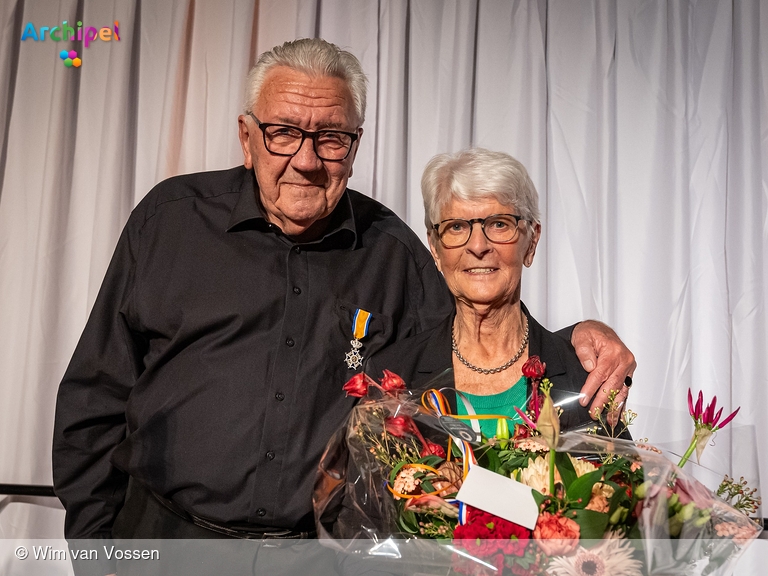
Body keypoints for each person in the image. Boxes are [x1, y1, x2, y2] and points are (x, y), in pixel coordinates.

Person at [52, 38, 633, 573]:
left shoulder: (396, 254)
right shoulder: (170, 221)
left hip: (320, 557)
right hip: (162, 545)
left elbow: (478, 345)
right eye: (283, 132)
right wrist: (96, 549)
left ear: (355, 147)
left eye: (331, 138)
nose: (306, 160)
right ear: (247, 137)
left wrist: (575, 340)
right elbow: (94, 398)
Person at [366, 148, 631, 436]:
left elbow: (621, 479)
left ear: (531, 242)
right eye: (456, 227)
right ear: (435, 248)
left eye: (499, 224)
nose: (478, 246)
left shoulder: (584, 376)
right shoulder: (391, 377)